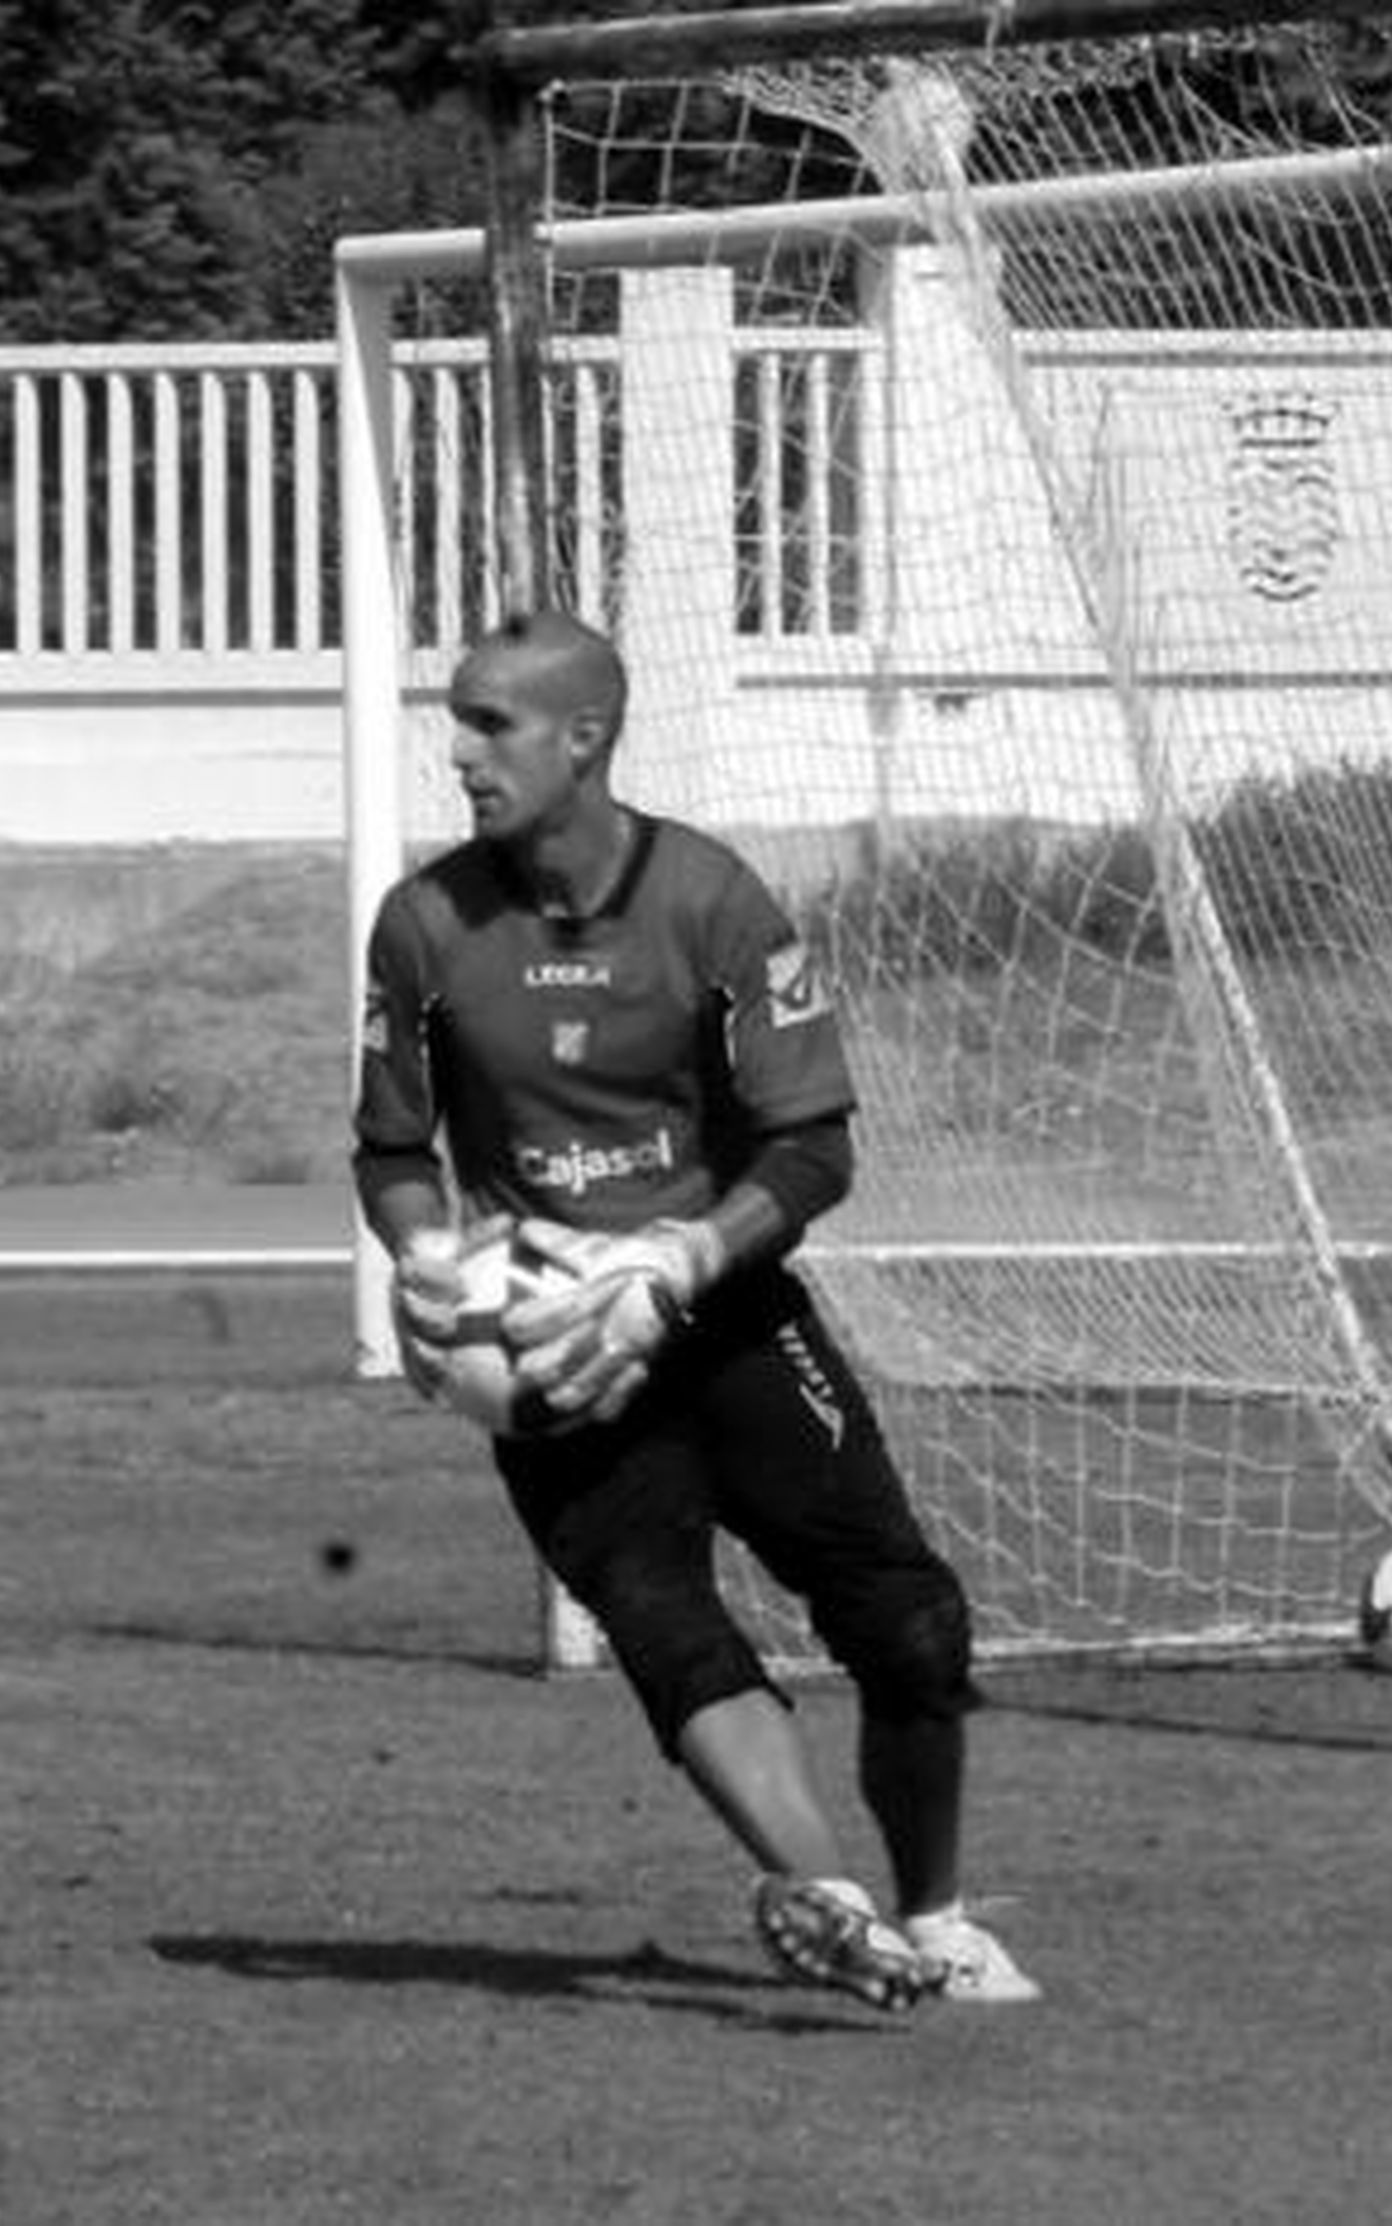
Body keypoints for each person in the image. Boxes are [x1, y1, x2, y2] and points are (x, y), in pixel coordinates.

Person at [352, 608, 1037, 2011]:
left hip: (721, 1313)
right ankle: (834, 1901)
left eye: (493, 723)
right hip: (548, 1348)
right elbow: (390, 1150)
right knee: (663, 1617)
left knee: (911, 1626)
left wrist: (675, 1258)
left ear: (585, 735)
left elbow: (813, 1147)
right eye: (458, 720)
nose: (462, 751)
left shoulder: (715, 900)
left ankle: (939, 1915)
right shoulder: (424, 924)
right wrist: (428, 1260)